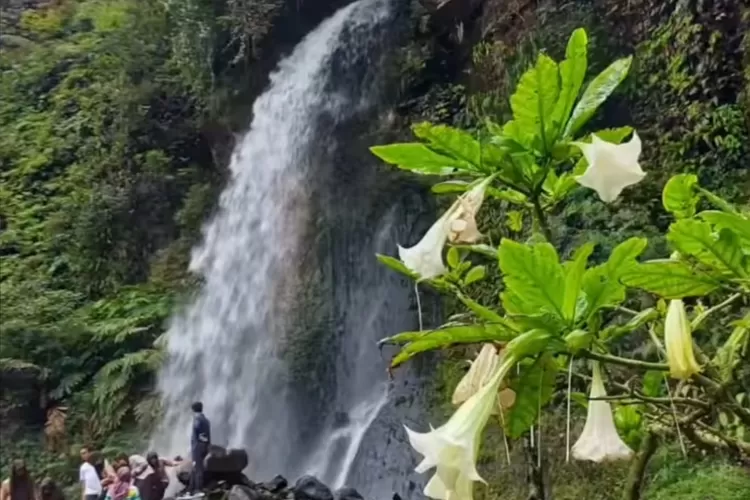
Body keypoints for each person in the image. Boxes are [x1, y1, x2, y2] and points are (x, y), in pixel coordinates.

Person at [187, 402, 210, 496]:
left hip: (198, 446)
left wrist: (199, 442)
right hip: (205, 445)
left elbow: (197, 429)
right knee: (197, 468)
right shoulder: (206, 419)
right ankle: (190, 489)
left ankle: (198, 489)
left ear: (193, 409)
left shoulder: (197, 418)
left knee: (197, 467)